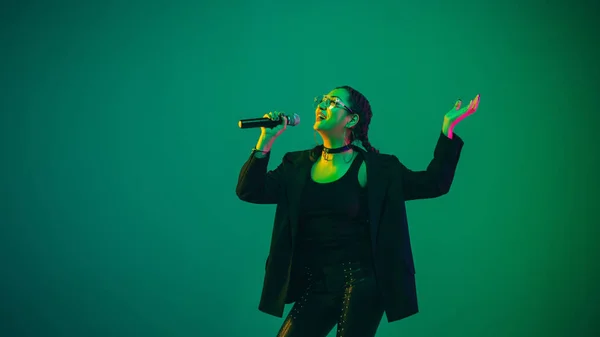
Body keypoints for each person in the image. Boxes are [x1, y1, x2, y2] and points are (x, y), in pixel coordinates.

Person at [236, 86, 480, 337]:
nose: (322, 105)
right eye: (322, 100)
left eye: (333, 102)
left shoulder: (377, 169)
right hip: (317, 284)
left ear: (352, 119)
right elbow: (250, 191)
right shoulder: (295, 166)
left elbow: (433, 183)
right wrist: (266, 139)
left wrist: (448, 128)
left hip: (363, 283)